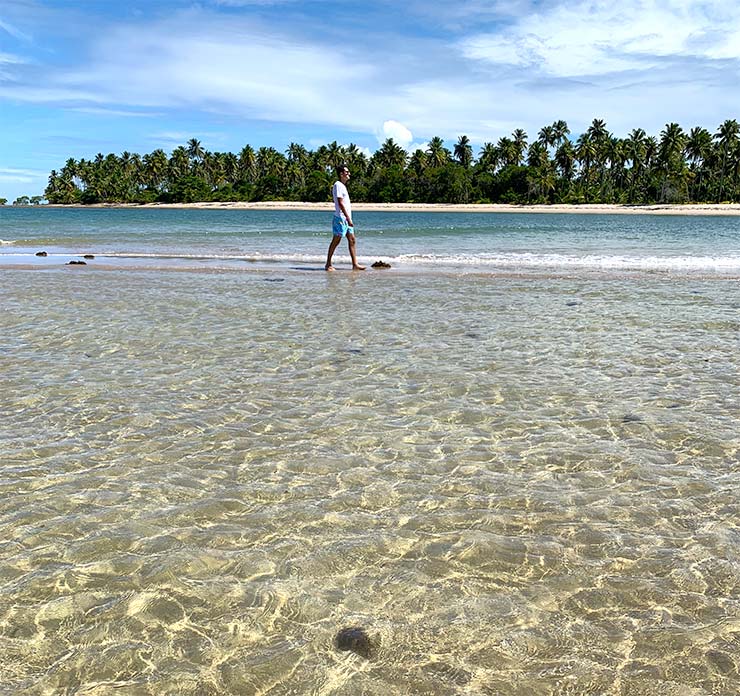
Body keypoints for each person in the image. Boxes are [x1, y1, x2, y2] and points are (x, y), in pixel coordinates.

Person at [325, 165, 365, 271]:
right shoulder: (338, 185)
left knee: (352, 240)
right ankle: (328, 264)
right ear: (341, 174)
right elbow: (340, 202)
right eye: (347, 172)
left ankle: (355, 264)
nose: (349, 174)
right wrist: (348, 218)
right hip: (341, 218)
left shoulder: (343, 186)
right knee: (336, 240)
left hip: (346, 218)